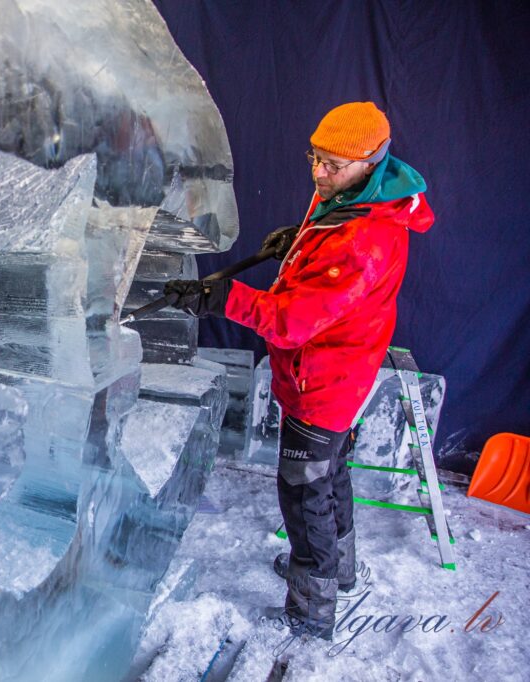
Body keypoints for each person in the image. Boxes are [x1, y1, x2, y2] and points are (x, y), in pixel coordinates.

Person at [164, 101, 434, 639]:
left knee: (303, 494)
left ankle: (311, 611)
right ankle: (340, 572)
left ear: (371, 160)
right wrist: (300, 241)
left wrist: (221, 299)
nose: (319, 172)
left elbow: (290, 321)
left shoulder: (364, 239)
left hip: (325, 382)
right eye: (315, 157)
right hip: (339, 370)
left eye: (333, 165)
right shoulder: (356, 194)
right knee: (330, 473)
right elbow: (327, 256)